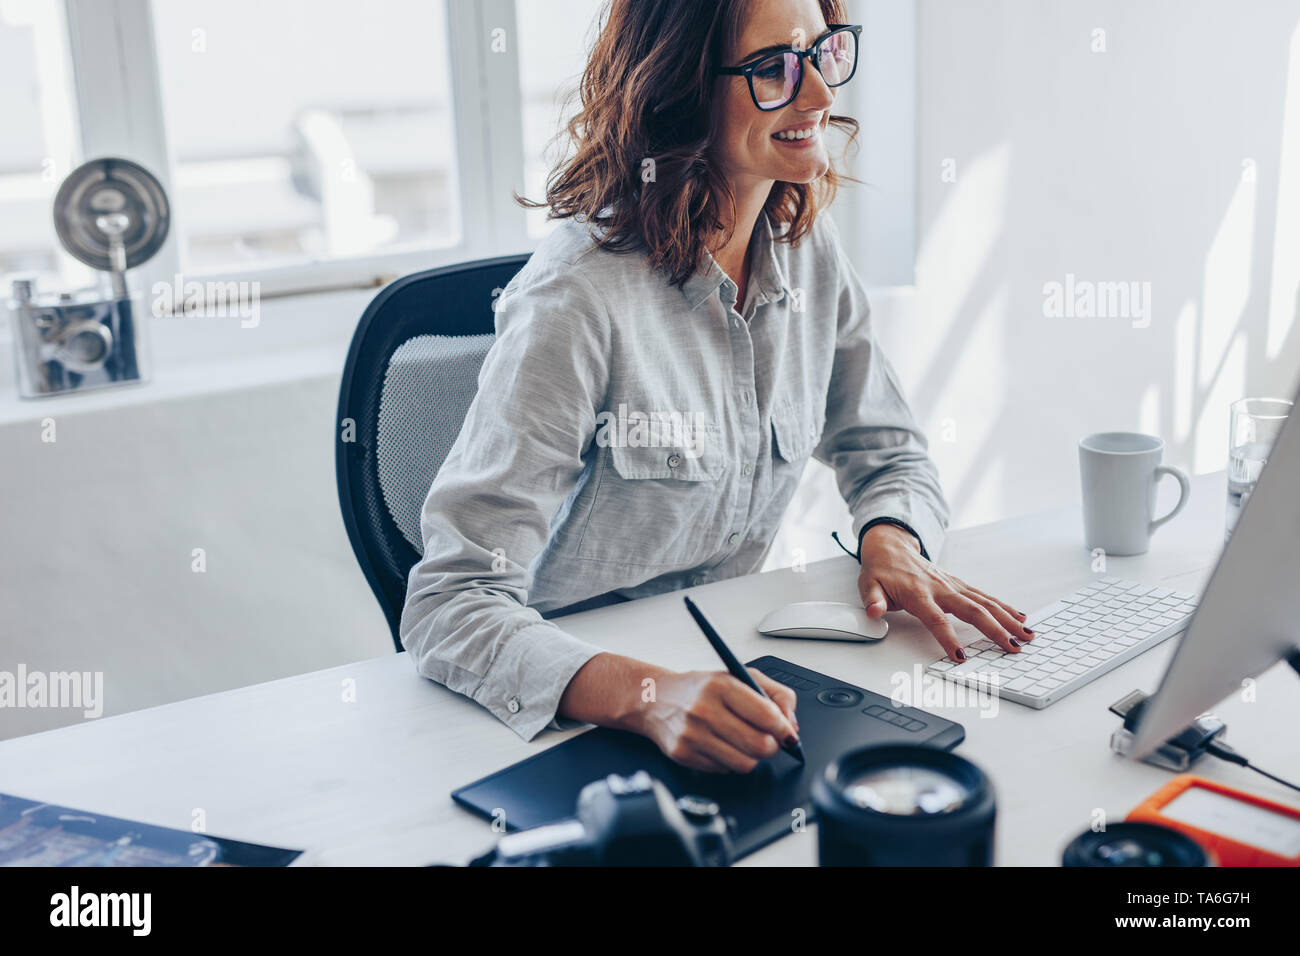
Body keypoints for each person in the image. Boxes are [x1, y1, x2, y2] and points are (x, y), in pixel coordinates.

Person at [401, 0, 1034, 773]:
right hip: (574, 721)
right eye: (773, 69)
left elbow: (889, 451)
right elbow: (449, 605)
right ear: (681, 91)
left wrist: (892, 539)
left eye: (822, 53)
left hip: (735, 676)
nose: (821, 98)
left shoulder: (807, 252)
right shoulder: (576, 300)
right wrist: (650, 695)